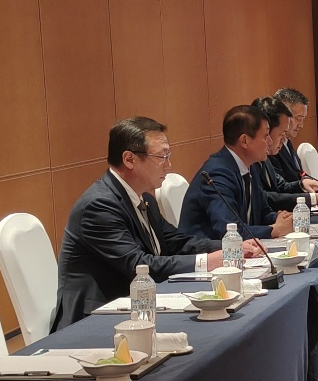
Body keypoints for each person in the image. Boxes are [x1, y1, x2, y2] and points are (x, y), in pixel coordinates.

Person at [50, 117, 257, 331]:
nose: (169, 165)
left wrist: (230, 247)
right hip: (93, 321)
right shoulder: (99, 206)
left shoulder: (144, 199)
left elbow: (176, 242)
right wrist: (208, 261)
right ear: (129, 159)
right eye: (162, 157)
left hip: (137, 308)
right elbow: (139, 265)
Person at [180, 106, 294, 240]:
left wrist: (281, 219)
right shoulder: (217, 174)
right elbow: (229, 231)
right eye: (265, 136)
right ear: (244, 141)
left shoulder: (249, 165)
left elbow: (262, 212)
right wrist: (273, 230)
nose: (270, 141)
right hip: (211, 249)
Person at [252, 97, 318, 212]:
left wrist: (302, 184)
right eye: (281, 134)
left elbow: (281, 186)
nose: (283, 140)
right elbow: (264, 198)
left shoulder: (264, 157)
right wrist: (312, 199)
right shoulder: (249, 162)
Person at [272, 87, 318, 190]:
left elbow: (299, 177)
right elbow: (282, 189)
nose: (301, 125)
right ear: (282, 115)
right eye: (298, 118)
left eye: (303, 119)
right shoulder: (272, 147)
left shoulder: (287, 142)